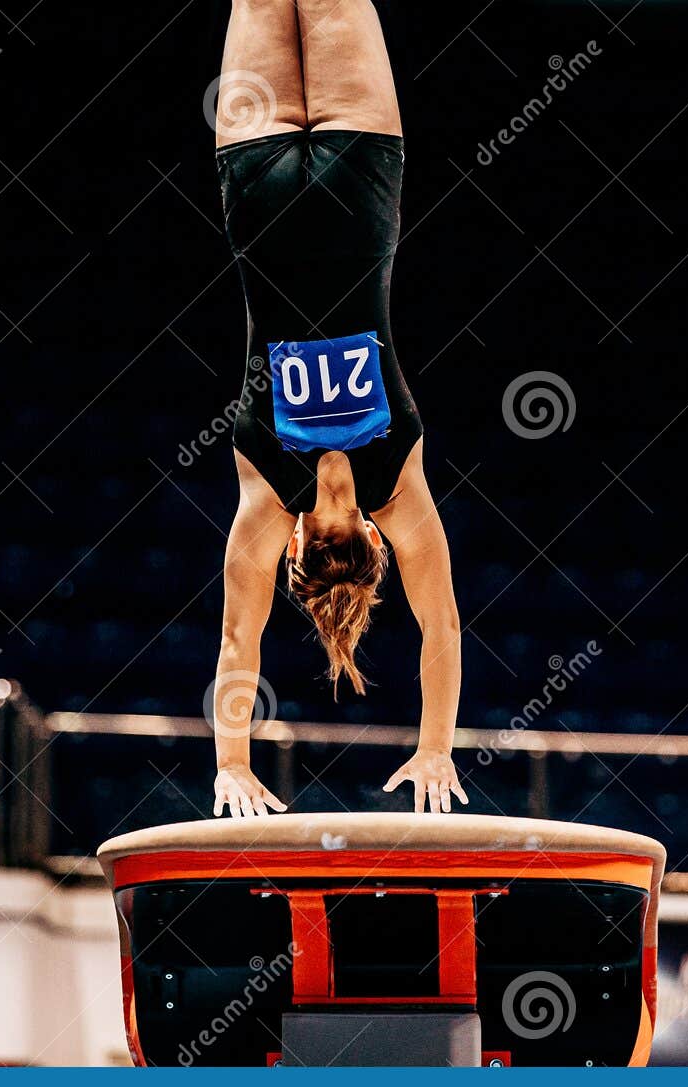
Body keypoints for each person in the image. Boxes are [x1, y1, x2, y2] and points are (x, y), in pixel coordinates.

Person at [208, 0, 468, 817]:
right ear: (297, 553)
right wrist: (231, 764)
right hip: (261, 195)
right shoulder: (265, 496)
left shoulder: (400, 485)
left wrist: (435, 748)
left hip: (360, 183)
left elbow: (444, 633)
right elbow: (236, 643)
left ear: (376, 546)